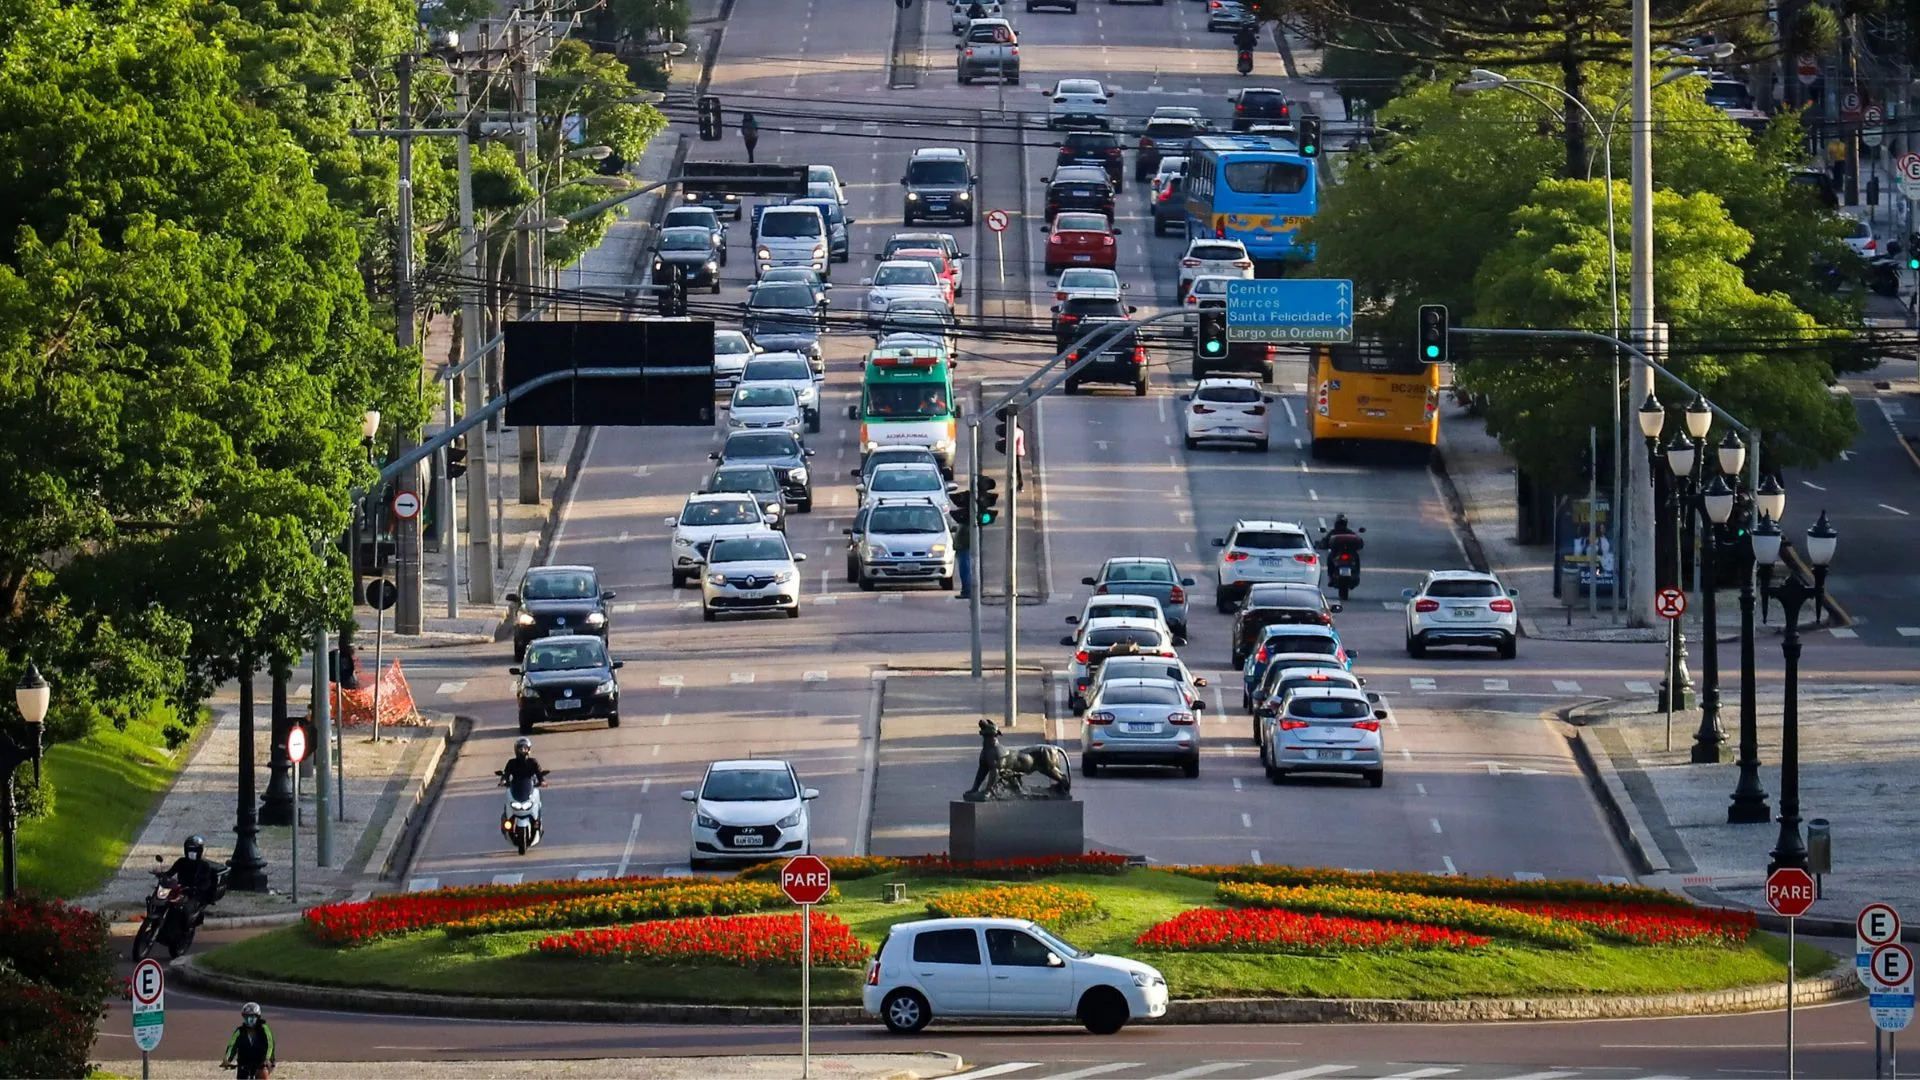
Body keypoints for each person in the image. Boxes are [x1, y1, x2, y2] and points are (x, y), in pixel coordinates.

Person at [220, 1002, 276, 1079]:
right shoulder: (239, 1031)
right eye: (247, 1017)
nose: (249, 1020)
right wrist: (227, 1059)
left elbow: (270, 1044)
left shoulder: (264, 1029)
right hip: (244, 1062)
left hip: (262, 1061)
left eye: (252, 1017)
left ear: (257, 1017)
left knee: (262, 1073)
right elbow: (232, 1046)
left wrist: (267, 1059)